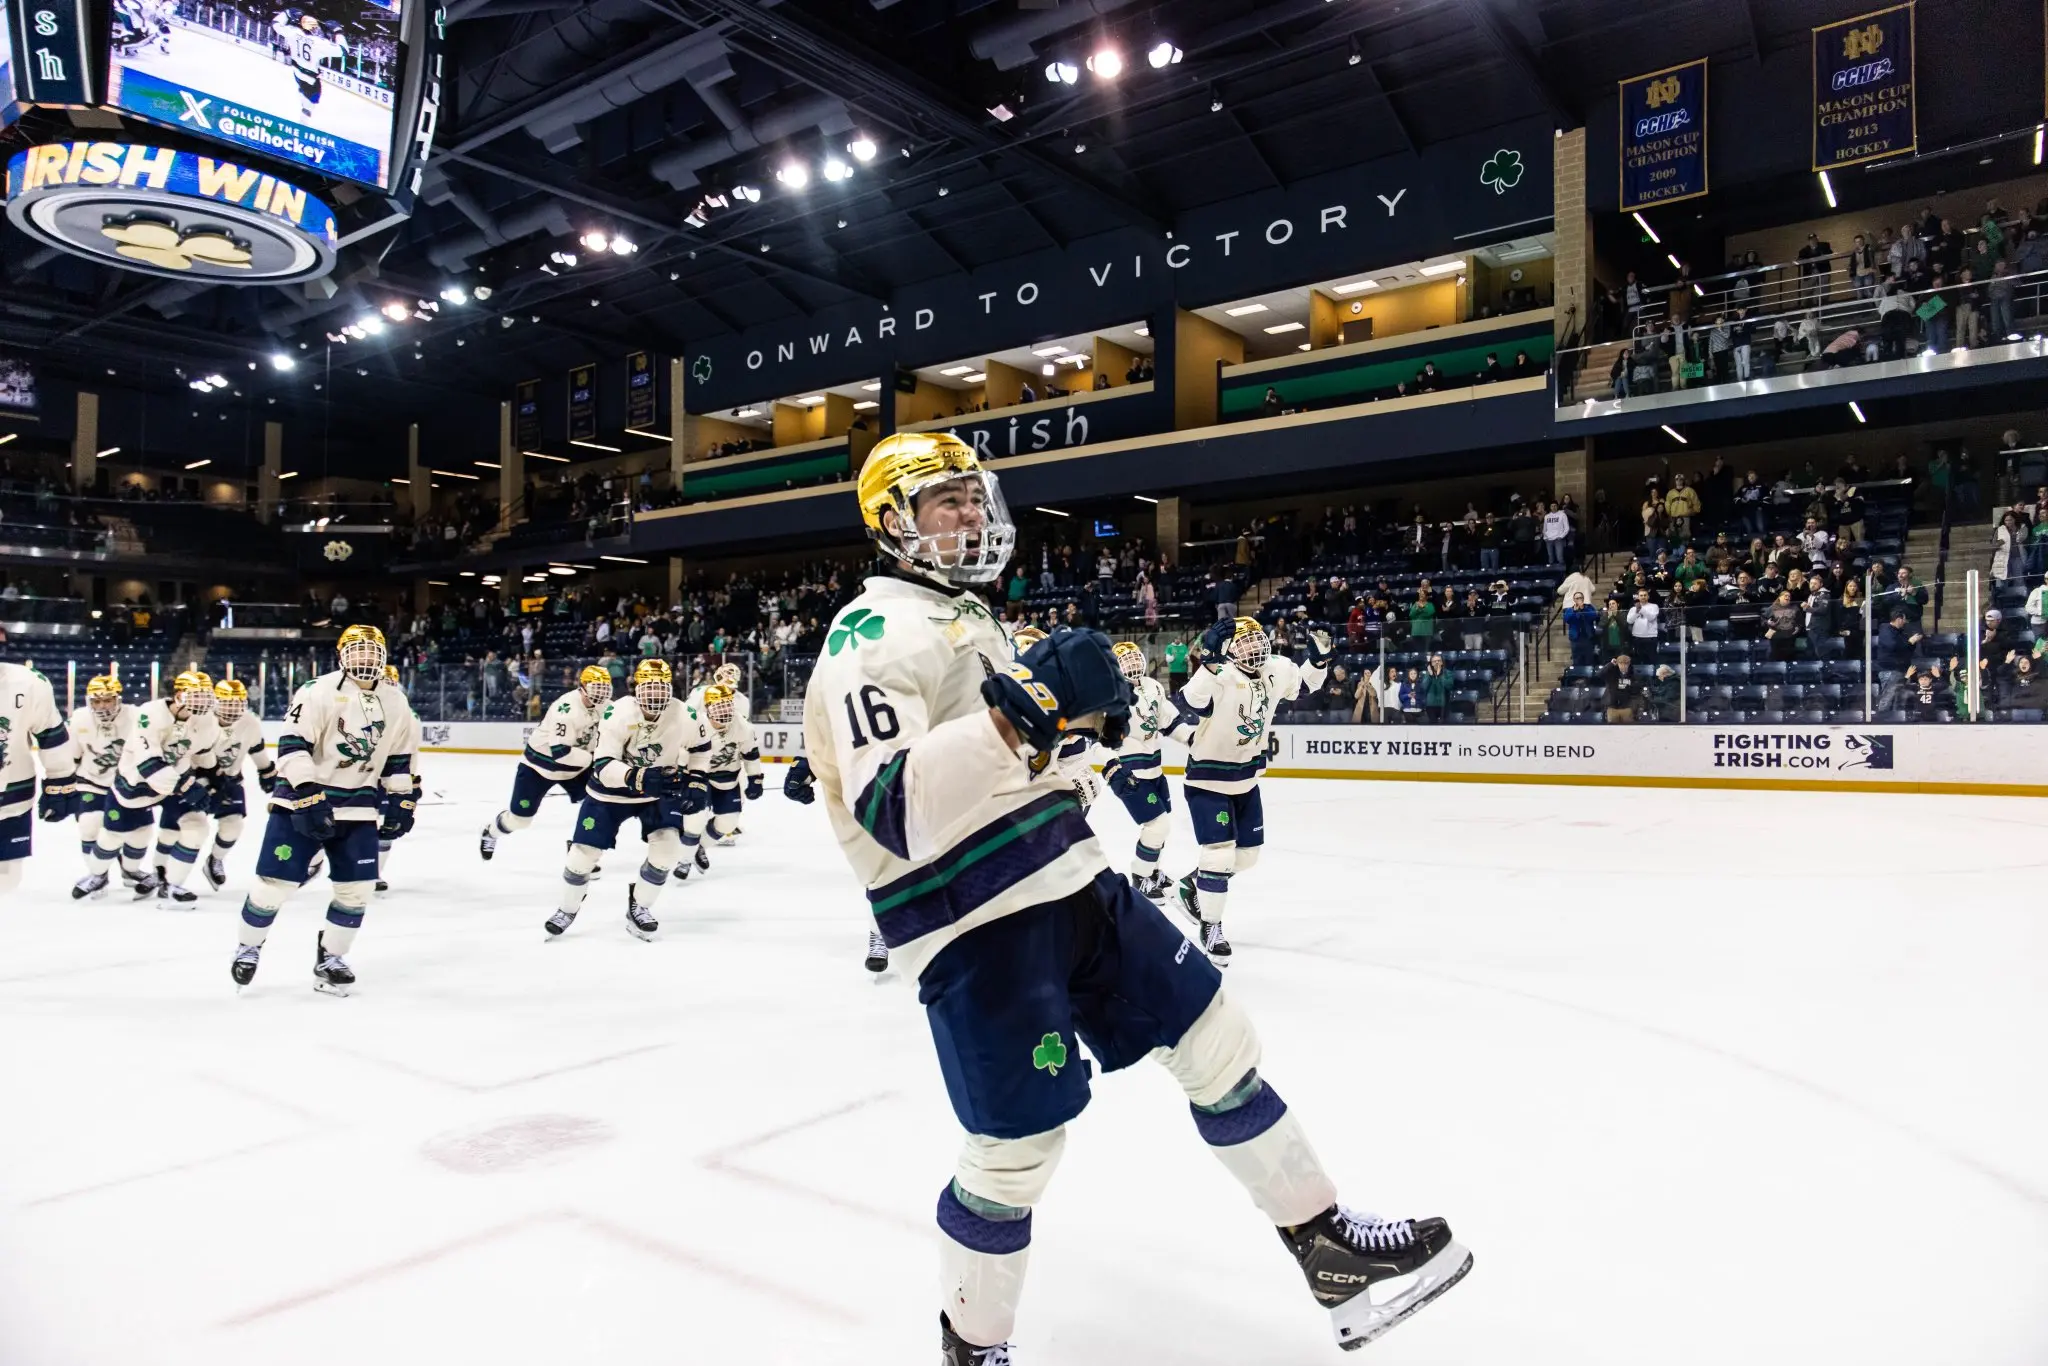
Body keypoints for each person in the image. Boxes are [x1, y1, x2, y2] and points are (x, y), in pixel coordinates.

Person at [802, 432, 1469, 1363]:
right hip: (976, 924)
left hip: (1075, 880)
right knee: (1016, 1149)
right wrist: (1024, 710)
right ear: (892, 521)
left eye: (971, 496)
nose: (969, 514)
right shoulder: (871, 638)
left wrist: (1076, 737)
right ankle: (973, 1346)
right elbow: (895, 807)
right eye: (944, 500)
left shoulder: (969, 620)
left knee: (1216, 1040)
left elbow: (1017, 765)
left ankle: (1329, 1254)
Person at [229, 628, 417, 994]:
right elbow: (292, 744)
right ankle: (248, 946)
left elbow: (398, 758)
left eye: (371, 652)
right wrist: (307, 790)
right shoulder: (318, 690)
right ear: (342, 655)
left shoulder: (396, 702)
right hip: (301, 800)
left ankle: (331, 958)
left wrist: (402, 798)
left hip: (358, 806)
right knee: (273, 886)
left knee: (358, 889)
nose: (364, 659)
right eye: (357, 652)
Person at [1170, 614, 1332, 961]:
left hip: (1246, 779)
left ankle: (1193, 882)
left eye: (1256, 638)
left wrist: (1319, 659)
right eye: (1243, 641)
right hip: (1207, 779)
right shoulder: (1220, 675)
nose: (1254, 646)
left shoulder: (1277, 668)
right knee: (1220, 853)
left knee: (1247, 856)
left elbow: (1306, 685)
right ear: (1229, 649)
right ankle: (1211, 925)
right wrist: (1208, 662)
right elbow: (1191, 702)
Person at [547, 658, 711, 942]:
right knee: (581, 856)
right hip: (611, 791)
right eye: (650, 688)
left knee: (668, 849)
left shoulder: (685, 714)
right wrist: (637, 777)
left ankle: (640, 906)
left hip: (658, 789)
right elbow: (603, 764)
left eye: (661, 688)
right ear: (636, 687)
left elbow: (701, 748)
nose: (655, 696)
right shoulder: (617, 712)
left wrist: (697, 781)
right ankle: (568, 908)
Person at [74, 669, 220, 903]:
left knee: (196, 827)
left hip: (175, 781)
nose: (203, 701)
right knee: (114, 835)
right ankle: (98, 874)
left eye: (205, 695)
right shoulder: (149, 713)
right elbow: (147, 762)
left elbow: (203, 753)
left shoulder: (206, 720)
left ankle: (170, 884)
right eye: (196, 695)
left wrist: (214, 778)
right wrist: (186, 786)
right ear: (179, 695)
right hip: (137, 783)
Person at [479, 665, 613, 857]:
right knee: (520, 820)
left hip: (577, 766)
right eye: (595, 688)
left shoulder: (608, 707)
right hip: (540, 767)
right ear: (582, 686)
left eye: (604, 688)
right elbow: (561, 752)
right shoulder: (566, 709)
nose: (600, 693)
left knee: (600, 804)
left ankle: (580, 848)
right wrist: (595, 759)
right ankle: (491, 831)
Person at [1101, 642, 1176, 900]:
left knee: (1161, 826)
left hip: (1155, 769)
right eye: (1125, 661)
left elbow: (1169, 720)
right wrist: (1112, 767)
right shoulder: (1109, 694)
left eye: (1135, 659)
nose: (1132, 665)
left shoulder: (1154, 686)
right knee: (1158, 825)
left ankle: (1153, 870)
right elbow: (1097, 739)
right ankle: (1140, 877)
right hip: (1130, 770)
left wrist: (1193, 739)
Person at [0, 657, 78, 900]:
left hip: (11, 799)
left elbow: (50, 734)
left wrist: (60, 781)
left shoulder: (28, 682)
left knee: (7, 874)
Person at [198, 677, 273, 892]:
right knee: (189, 828)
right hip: (199, 779)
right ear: (214, 702)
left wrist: (266, 771)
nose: (232, 709)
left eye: (237, 703)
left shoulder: (249, 722)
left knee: (233, 825)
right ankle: (166, 873)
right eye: (227, 703)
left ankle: (215, 860)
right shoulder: (201, 719)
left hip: (230, 780)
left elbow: (257, 749)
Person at [64, 674, 133, 884]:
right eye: (96, 701)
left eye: (107, 700)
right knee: (89, 824)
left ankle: (130, 869)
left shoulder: (136, 717)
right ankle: (97, 875)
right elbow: (72, 756)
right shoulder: (79, 718)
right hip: (90, 780)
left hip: (125, 783)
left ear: (118, 698)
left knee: (125, 831)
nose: (102, 706)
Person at [692, 681, 763, 852]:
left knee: (728, 822)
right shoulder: (696, 725)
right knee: (694, 818)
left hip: (727, 779)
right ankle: (684, 856)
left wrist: (755, 779)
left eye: (727, 705)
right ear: (707, 707)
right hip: (700, 777)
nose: (724, 711)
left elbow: (750, 754)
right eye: (718, 706)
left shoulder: (743, 726)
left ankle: (699, 849)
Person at [1564, 591, 1599, 668]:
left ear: (1583, 599)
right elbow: (1567, 619)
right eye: (1577, 598)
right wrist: (1575, 611)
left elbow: (1594, 616)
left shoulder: (1589, 607)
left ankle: (1589, 678)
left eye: (1580, 598)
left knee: (1589, 661)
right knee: (1577, 661)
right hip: (1576, 639)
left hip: (1587, 638)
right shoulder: (1570, 610)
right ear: (1574, 600)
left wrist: (1583, 609)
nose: (1579, 599)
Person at [1602, 654, 1639, 723]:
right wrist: (1610, 664)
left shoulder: (1633, 676)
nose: (1623, 666)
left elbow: (1636, 692)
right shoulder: (1611, 674)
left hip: (1627, 708)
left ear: (1629, 664)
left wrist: (1633, 706)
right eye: (1621, 663)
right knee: (1612, 730)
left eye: (1625, 664)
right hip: (1612, 708)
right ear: (1617, 664)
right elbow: (1599, 674)